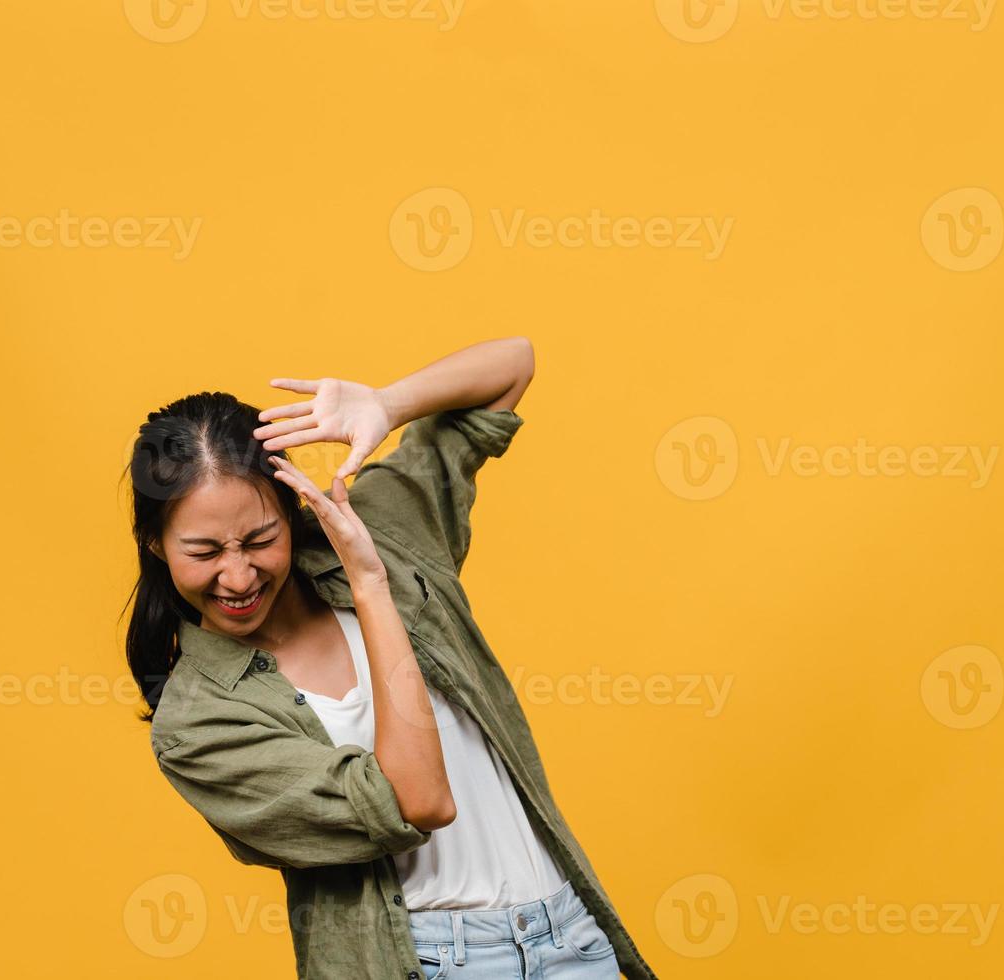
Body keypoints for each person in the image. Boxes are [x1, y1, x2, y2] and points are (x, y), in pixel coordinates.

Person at [122, 337, 658, 979]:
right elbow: (420, 802)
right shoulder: (196, 724)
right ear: (155, 544)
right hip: (429, 962)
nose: (237, 576)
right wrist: (370, 585)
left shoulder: (386, 531)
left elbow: (513, 364)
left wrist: (386, 403)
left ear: (292, 510)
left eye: (260, 540)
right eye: (204, 553)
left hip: (569, 939)